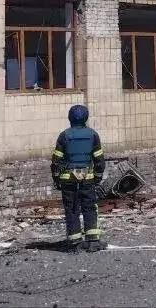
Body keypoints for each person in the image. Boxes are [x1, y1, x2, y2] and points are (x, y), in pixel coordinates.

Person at [50, 104, 105, 253]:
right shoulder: (93, 135)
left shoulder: (64, 136)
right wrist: (97, 177)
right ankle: (93, 241)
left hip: (68, 180)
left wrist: (56, 179)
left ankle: (75, 243)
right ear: (86, 118)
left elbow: (56, 161)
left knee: (72, 209)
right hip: (87, 179)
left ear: (70, 118)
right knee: (90, 208)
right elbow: (99, 160)